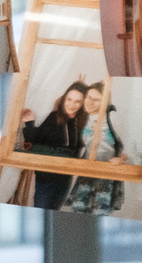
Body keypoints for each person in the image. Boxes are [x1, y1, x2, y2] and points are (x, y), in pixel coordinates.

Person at [18, 80, 90, 209]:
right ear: (64, 98)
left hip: (65, 179)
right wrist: (29, 122)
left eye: (77, 101)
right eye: (69, 99)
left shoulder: (81, 123)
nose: (72, 105)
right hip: (45, 179)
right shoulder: (53, 117)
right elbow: (34, 140)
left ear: (83, 103)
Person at [62, 82, 130, 217]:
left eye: (96, 99)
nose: (90, 102)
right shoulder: (83, 117)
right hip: (86, 173)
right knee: (77, 211)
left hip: (106, 175)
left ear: (105, 101)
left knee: (99, 213)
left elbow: (128, 144)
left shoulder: (112, 118)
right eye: (88, 97)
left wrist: (121, 159)